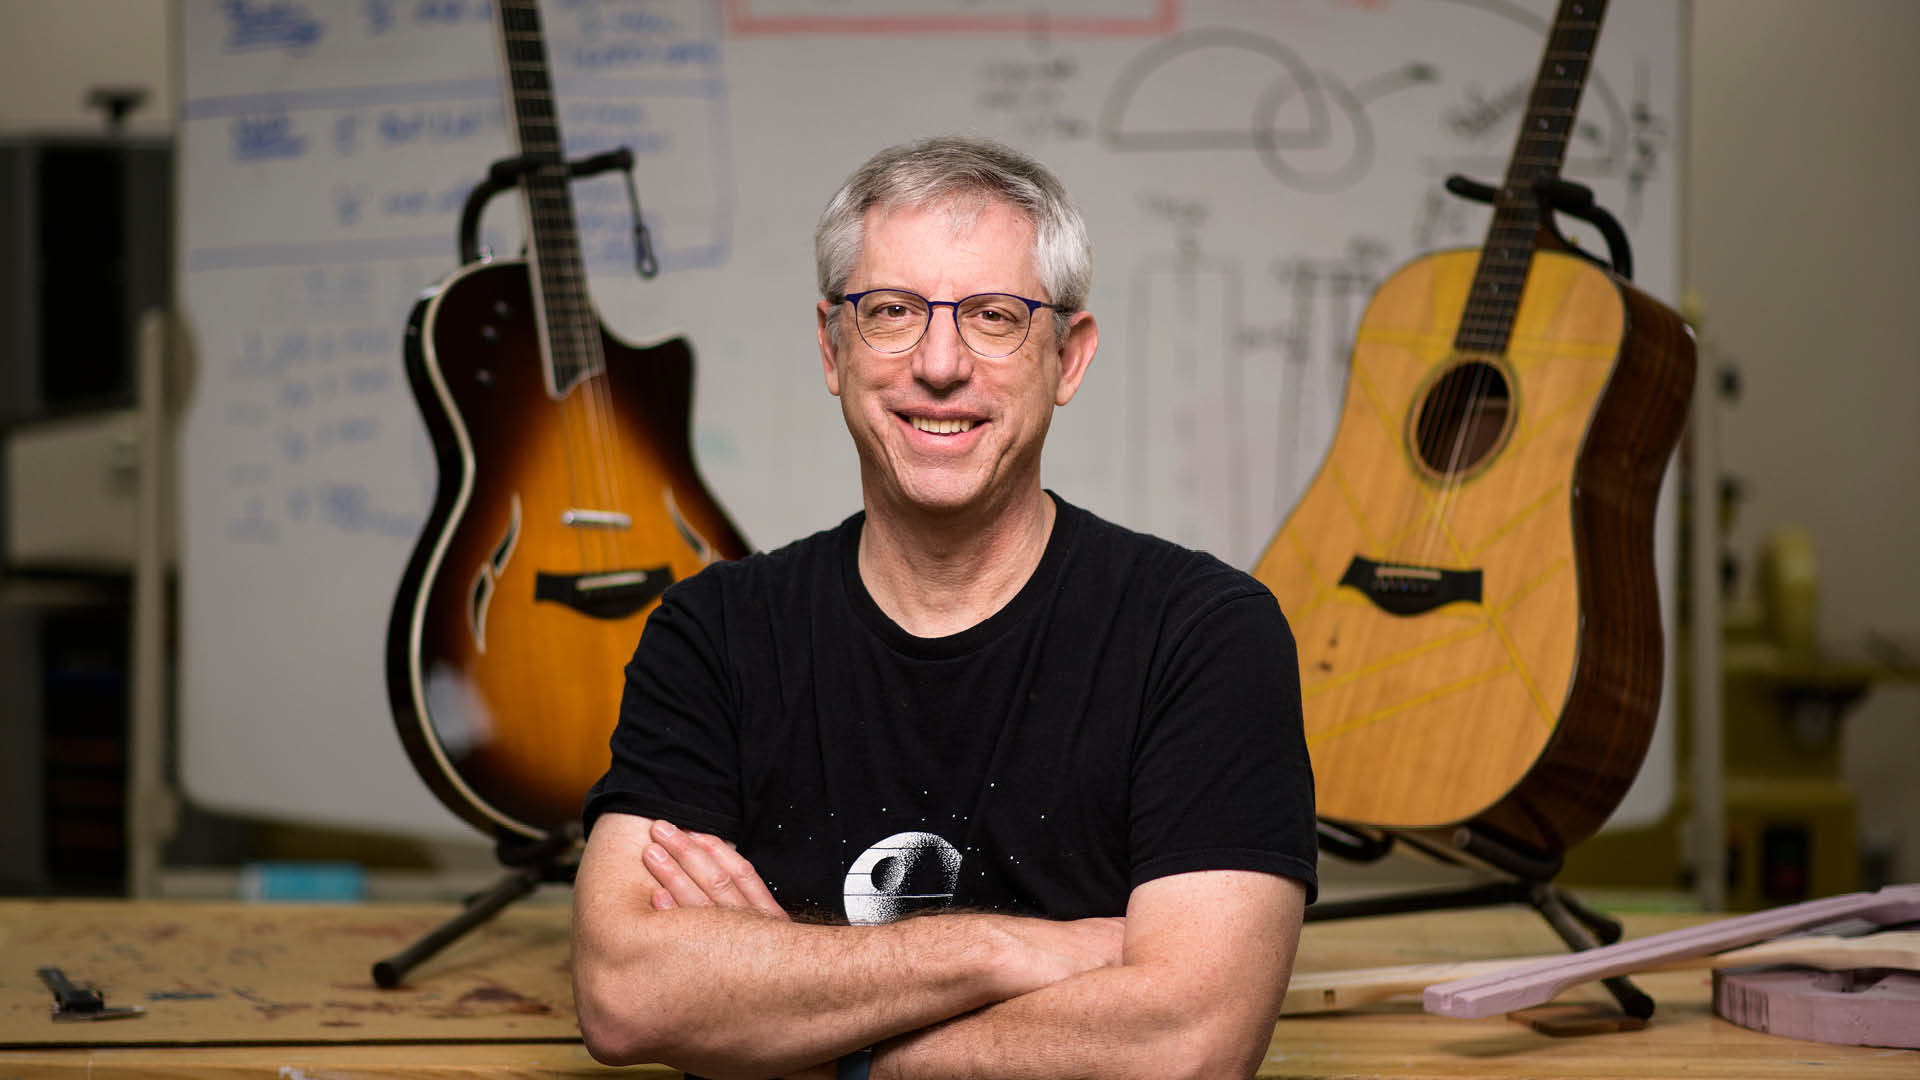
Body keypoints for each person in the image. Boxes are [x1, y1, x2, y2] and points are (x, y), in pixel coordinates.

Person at [570, 135, 1317, 1080]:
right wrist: (1008, 950)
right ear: (833, 348)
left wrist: (812, 1036)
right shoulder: (713, 635)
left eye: (996, 317)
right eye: (890, 312)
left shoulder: (1203, 635)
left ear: (1069, 358)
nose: (938, 364)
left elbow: (1188, 1043)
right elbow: (627, 996)